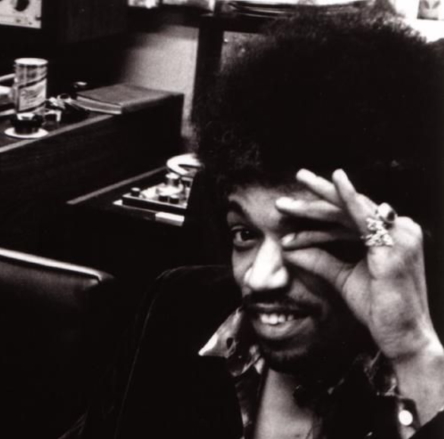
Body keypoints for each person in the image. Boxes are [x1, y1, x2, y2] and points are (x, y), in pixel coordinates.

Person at [67, 5, 444, 439]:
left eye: (305, 236)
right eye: (245, 234)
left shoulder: (424, 363)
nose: (259, 278)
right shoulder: (173, 311)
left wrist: (413, 354)